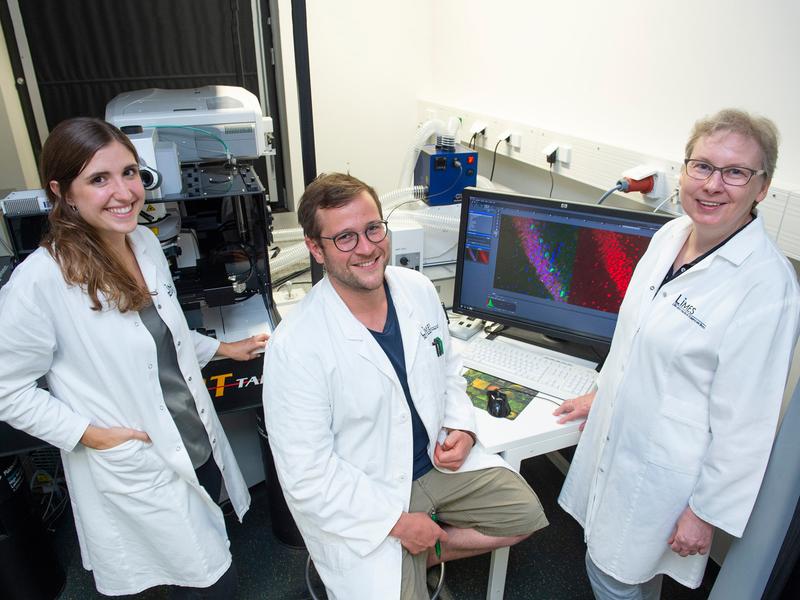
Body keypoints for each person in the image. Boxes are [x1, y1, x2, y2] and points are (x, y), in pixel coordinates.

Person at [0, 117, 268, 597]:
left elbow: (163, 335)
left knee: (205, 562)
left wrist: (223, 348)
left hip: (193, 439)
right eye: (99, 179)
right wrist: (89, 435)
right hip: (136, 458)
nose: (124, 191)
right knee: (204, 582)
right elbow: (5, 389)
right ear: (62, 192)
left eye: (129, 173)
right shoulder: (40, 281)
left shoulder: (142, 244)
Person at [263, 173, 547, 599]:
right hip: (369, 489)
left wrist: (462, 428)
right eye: (344, 238)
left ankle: (426, 551)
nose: (366, 247)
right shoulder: (296, 346)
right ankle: (407, 546)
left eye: (373, 228)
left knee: (525, 516)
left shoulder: (416, 289)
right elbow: (307, 475)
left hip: (435, 461)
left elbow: (448, 364)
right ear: (314, 248)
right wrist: (397, 524)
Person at [554, 108, 800, 599]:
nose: (713, 184)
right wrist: (599, 393)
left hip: (668, 478)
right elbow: (634, 337)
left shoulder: (767, 286)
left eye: (735, 172)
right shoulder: (670, 235)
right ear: (685, 170)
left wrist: (705, 513)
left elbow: (746, 423)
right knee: (617, 569)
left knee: (615, 577)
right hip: (620, 443)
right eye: (703, 166)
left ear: (763, 187)